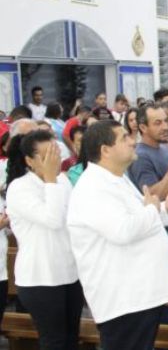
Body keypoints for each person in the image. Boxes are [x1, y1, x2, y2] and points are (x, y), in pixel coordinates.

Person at [67, 120, 168, 350]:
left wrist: (165, 208)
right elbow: (123, 230)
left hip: (139, 294)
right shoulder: (92, 188)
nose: (132, 141)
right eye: (124, 138)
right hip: (124, 297)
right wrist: (153, 209)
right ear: (105, 150)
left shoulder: (116, 178)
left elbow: (137, 218)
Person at [5, 131, 82, 349]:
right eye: (46, 156)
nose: (54, 160)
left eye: (56, 153)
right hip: (40, 278)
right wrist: (50, 181)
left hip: (69, 273)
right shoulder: (19, 188)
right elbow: (53, 219)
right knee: (53, 340)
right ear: (29, 161)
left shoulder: (63, 182)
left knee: (71, 339)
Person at [127, 105, 168, 260]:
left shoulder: (163, 149)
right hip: (163, 232)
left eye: (165, 121)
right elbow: (153, 196)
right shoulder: (141, 156)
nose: (165, 127)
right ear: (143, 127)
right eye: (157, 123)